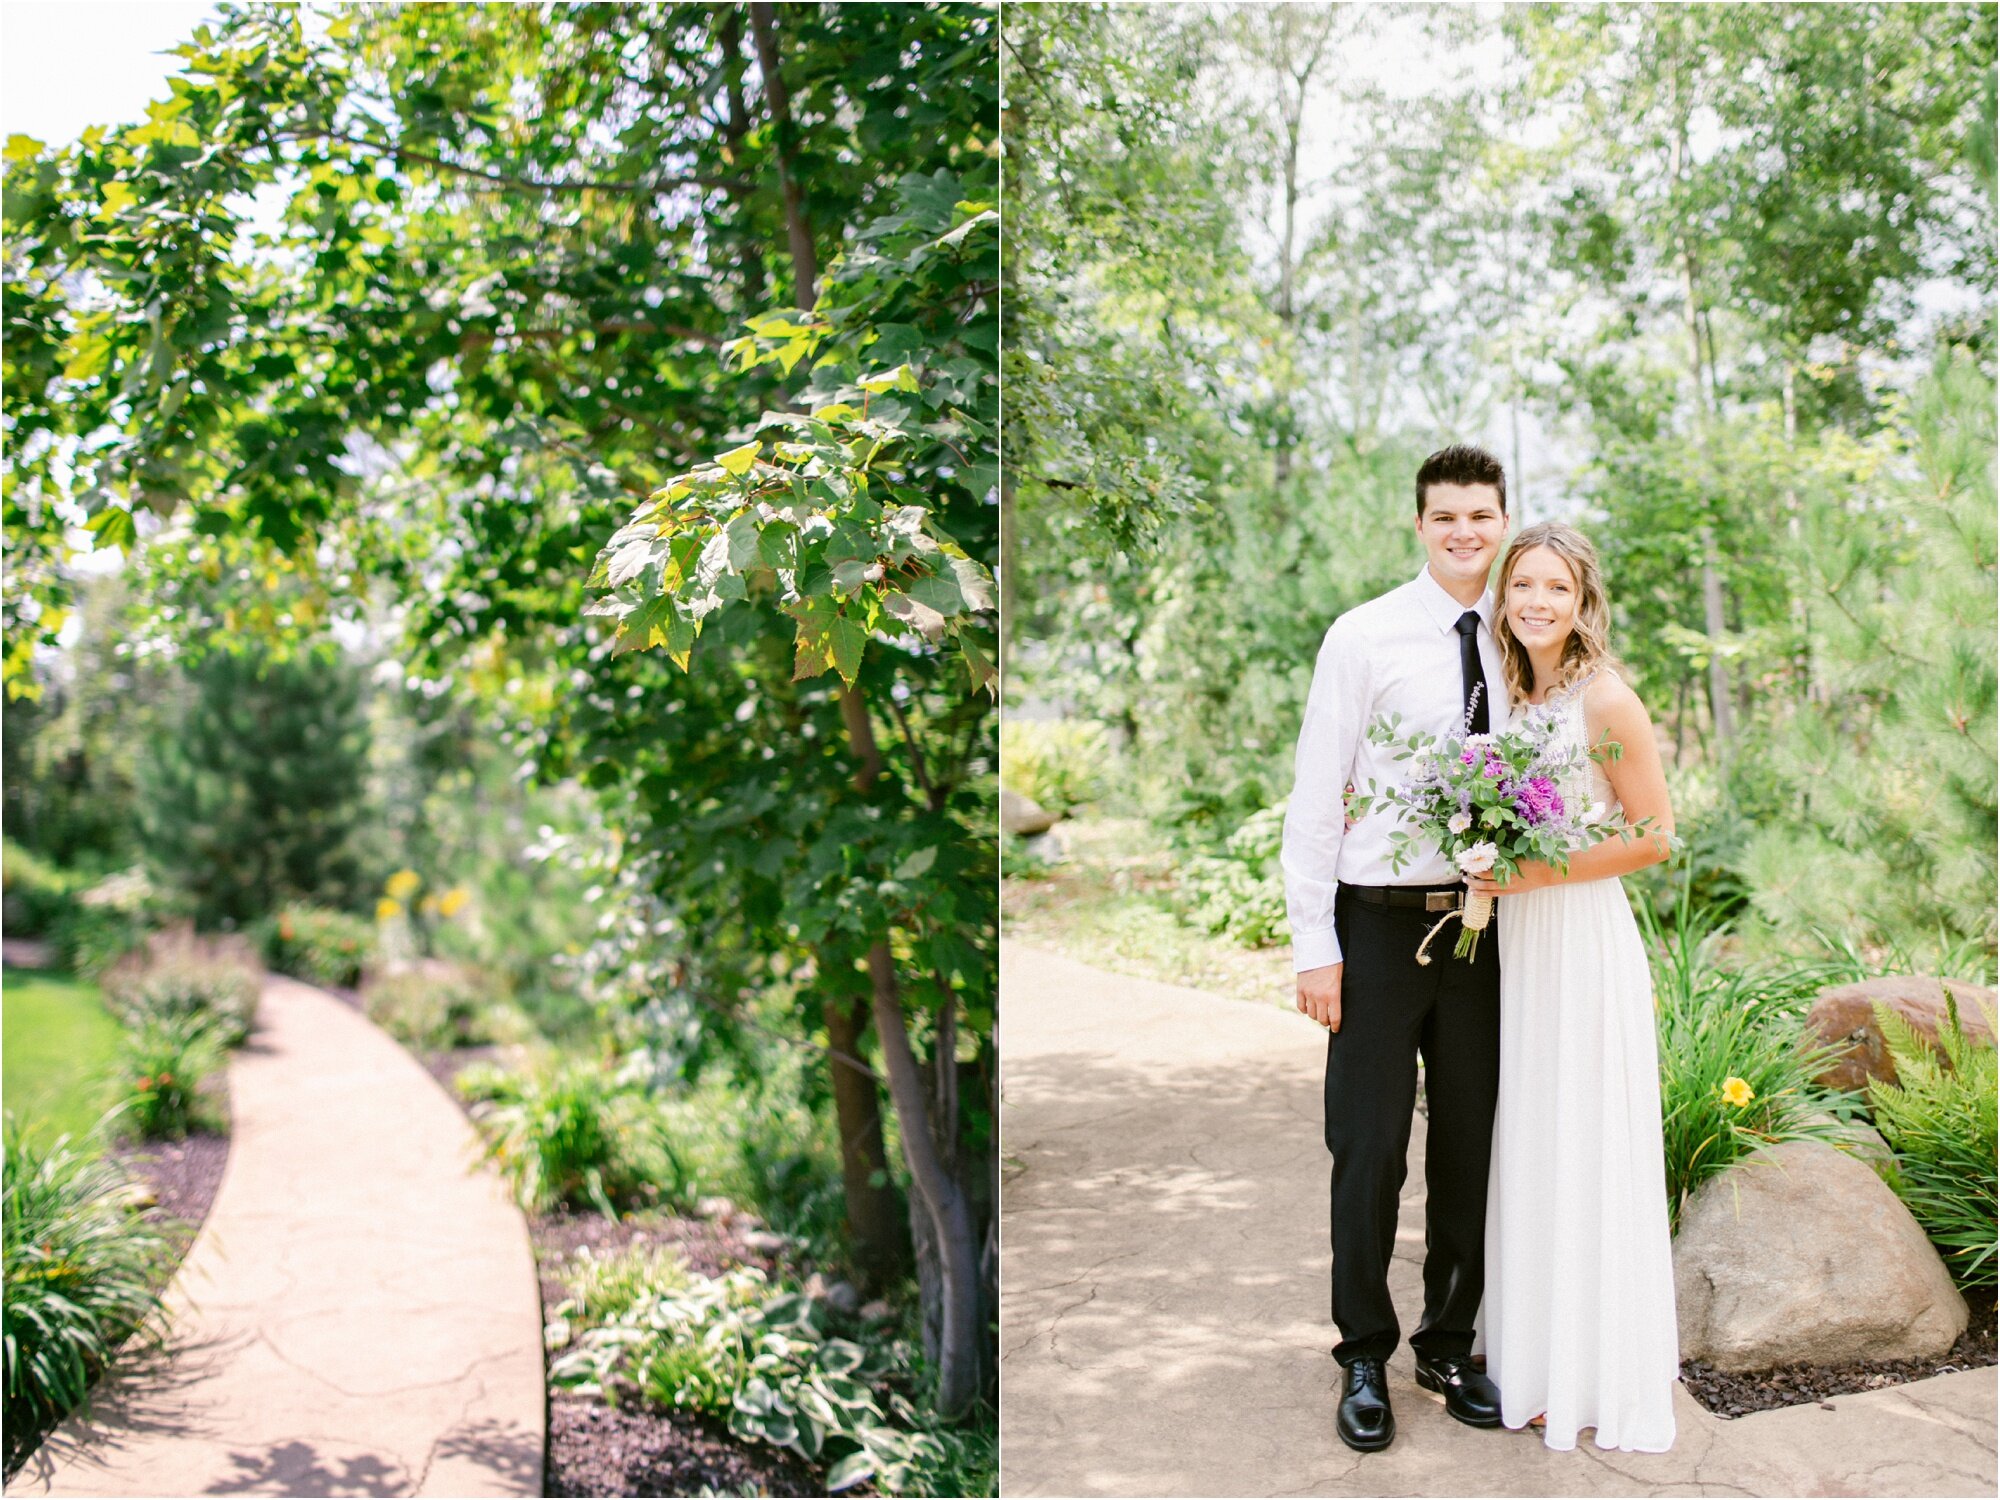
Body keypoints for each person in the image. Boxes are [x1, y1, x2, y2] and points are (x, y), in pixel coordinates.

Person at [1281, 443, 1512, 1454]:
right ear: (1418, 525)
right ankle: (1363, 1352)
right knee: (1367, 1150)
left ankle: (1448, 1343)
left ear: (1503, 521)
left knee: (1469, 1147)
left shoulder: (1526, 635)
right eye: (1445, 516)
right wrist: (1312, 947)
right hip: (1376, 927)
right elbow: (1313, 794)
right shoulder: (1363, 636)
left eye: (1480, 515)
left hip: (1488, 936)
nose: (1464, 532)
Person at [1465, 520, 1680, 1452]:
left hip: (1582, 943)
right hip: (1524, 948)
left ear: (1582, 599)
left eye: (1555, 587)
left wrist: (1530, 878)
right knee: (1537, 1138)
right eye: (1523, 587)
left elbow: (1656, 836)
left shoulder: (1605, 701)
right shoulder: (1516, 690)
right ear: (1504, 597)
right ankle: (1535, 1358)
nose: (1537, 602)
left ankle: (1591, 1376)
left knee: (1584, 1139)